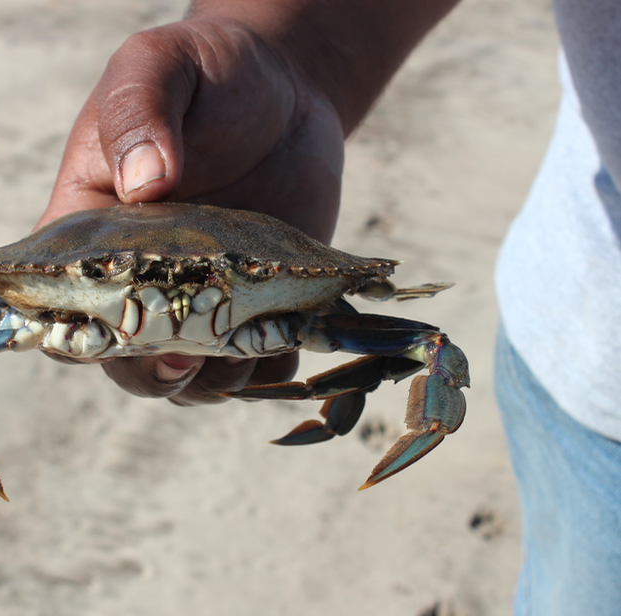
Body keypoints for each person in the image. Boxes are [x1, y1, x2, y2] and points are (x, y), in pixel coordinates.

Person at [37, 1, 621, 614]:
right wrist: (282, 48)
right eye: (108, 269)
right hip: (594, 363)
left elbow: (432, 353)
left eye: (245, 271)